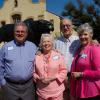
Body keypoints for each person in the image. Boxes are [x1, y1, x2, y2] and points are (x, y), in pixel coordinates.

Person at [0, 21, 37, 100]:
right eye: (17, 31)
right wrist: (2, 82)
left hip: (29, 87)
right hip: (9, 87)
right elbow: (0, 65)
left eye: (22, 31)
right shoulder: (5, 47)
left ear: (26, 33)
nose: (20, 33)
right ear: (14, 33)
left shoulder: (33, 47)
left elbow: (43, 55)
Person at [70, 23, 100, 100]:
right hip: (80, 89)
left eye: (85, 34)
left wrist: (81, 74)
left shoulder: (95, 49)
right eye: (80, 35)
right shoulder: (79, 49)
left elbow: (99, 72)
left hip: (92, 91)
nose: (83, 37)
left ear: (91, 35)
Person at [33, 34, 67, 100]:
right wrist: (39, 78)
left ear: (52, 43)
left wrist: (53, 77)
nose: (46, 43)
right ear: (41, 44)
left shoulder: (58, 55)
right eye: (44, 42)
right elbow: (33, 72)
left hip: (57, 92)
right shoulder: (37, 57)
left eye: (48, 41)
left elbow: (64, 70)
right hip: (42, 92)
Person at [54, 18, 80, 100]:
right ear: (60, 28)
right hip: (60, 78)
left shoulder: (78, 40)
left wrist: (94, 42)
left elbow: (89, 44)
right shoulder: (56, 42)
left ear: (72, 27)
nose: (65, 28)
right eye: (63, 26)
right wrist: (39, 51)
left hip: (74, 77)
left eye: (68, 25)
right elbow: (45, 49)